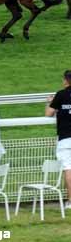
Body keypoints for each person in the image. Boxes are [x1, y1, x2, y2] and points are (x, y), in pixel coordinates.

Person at [45, 70, 71, 210]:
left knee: (68, 169)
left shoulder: (61, 94)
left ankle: (70, 201)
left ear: (66, 81)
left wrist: (49, 102)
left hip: (65, 139)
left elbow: (48, 113)